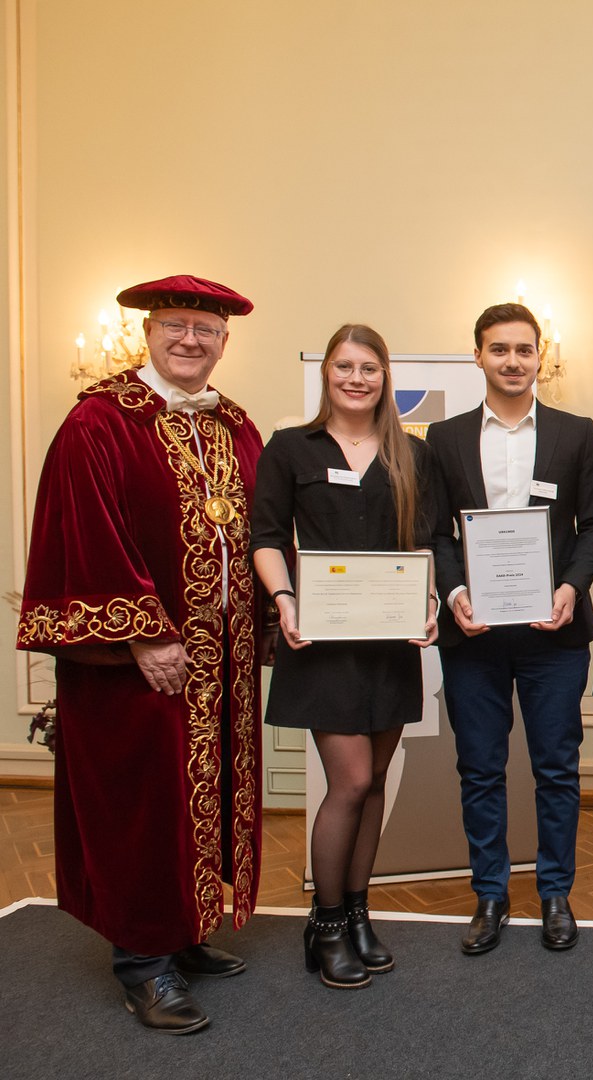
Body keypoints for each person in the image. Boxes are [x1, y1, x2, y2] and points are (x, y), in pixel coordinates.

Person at [16, 274, 262, 1034]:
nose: (192, 340)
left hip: (224, 662)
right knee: (140, 805)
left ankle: (184, 933)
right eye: (177, 326)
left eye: (206, 330)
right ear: (148, 332)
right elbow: (86, 531)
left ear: (224, 342)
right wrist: (143, 633)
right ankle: (142, 963)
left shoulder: (235, 425)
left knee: (203, 797)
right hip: (142, 664)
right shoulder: (101, 421)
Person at [251, 325, 441, 988]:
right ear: (326, 374)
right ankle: (325, 922)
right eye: (345, 367)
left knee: (373, 786)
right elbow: (267, 536)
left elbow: (424, 543)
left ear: (385, 378)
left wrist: (428, 603)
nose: (357, 378)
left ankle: (359, 912)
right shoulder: (289, 448)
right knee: (351, 782)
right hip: (322, 640)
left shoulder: (409, 455)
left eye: (369, 368)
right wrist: (284, 600)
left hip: (389, 643)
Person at [428, 303, 593, 955]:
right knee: (479, 768)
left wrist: (570, 588)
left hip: (553, 634)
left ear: (541, 357)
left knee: (556, 767)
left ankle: (555, 892)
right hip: (473, 637)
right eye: (498, 349)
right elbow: (435, 532)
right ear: (477, 355)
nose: (512, 360)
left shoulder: (575, 432)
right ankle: (491, 895)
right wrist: (453, 594)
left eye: (523, 350)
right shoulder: (444, 439)